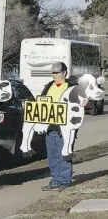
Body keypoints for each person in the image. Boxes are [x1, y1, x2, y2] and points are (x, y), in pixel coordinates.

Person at [40, 61, 79, 191]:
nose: (54, 75)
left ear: (64, 73)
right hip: (50, 127)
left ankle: (65, 181)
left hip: (65, 129)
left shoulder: (71, 87)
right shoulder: (49, 86)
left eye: (57, 72)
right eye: (53, 72)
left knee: (64, 155)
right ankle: (55, 180)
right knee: (52, 156)